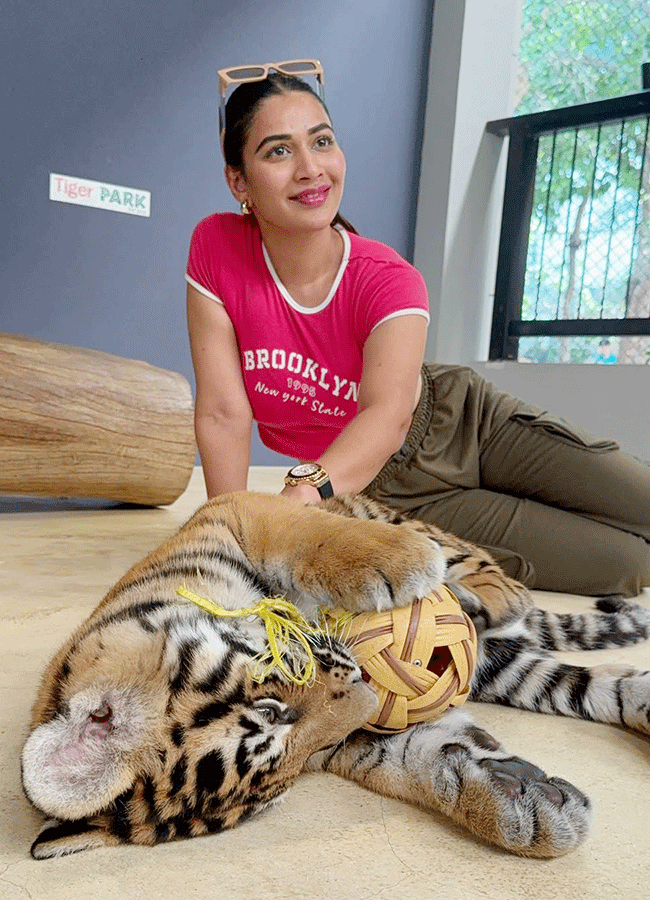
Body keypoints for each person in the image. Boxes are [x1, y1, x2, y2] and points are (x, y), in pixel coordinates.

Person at [186, 62, 650, 599]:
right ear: (238, 181)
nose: (311, 168)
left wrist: (299, 497)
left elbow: (388, 415)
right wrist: (227, 541)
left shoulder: (388, 279)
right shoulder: (217, 247)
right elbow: (222, 411)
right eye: (278, 151)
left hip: (464, 425)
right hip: (391, 496)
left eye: (322, 141)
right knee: (629, 566)